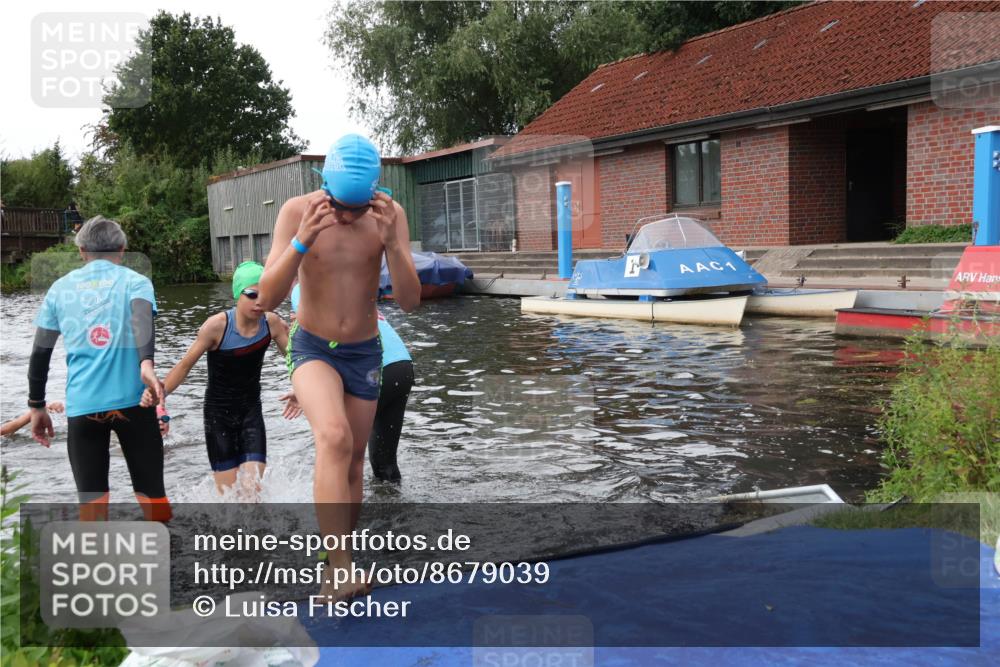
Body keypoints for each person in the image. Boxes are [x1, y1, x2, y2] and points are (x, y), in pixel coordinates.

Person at [258, 134, 420, 600]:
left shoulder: (389, 216)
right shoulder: (297, 211)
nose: (347, 217)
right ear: (323, 184)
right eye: (339, 205)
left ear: (375, 190)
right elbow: (266, 298)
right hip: (312, 347)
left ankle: (335, 555)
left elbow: (409, 302)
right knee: (333, 436)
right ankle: (339, 571)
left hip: (366, 351)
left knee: (352, 461)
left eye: (357, 207)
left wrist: (392, 243)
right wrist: (303, 240)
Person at [28, 216, 170, 521]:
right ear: (122, 249)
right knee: (153, 499)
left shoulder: (59, 289)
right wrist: (146, 364)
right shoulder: (136, 282)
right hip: (134, 402)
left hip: (83, 408)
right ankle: (165, 563)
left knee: (92, 510)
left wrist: (36, 405)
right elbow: (142, 322)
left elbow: (40, 352)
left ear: (81, 251)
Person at [141, 262, 300, 497]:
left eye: (264, 295)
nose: (258, 301)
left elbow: (297, 362)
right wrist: (159, 392)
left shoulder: (271, 323)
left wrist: (301, 388)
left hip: (251, 413)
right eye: (251, 294)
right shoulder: (216, 327)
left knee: (252, 493)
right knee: (228, 497)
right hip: (218, 418)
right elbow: (184, 366)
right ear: (237, 294)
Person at [290, 285, 414, 483]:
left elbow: (325, 342)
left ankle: (341, 510)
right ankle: (393, 509)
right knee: (385, 463)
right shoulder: (347, 283)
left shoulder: (302, 288)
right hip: (401, 365)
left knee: (340, 456)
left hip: (372, 369)